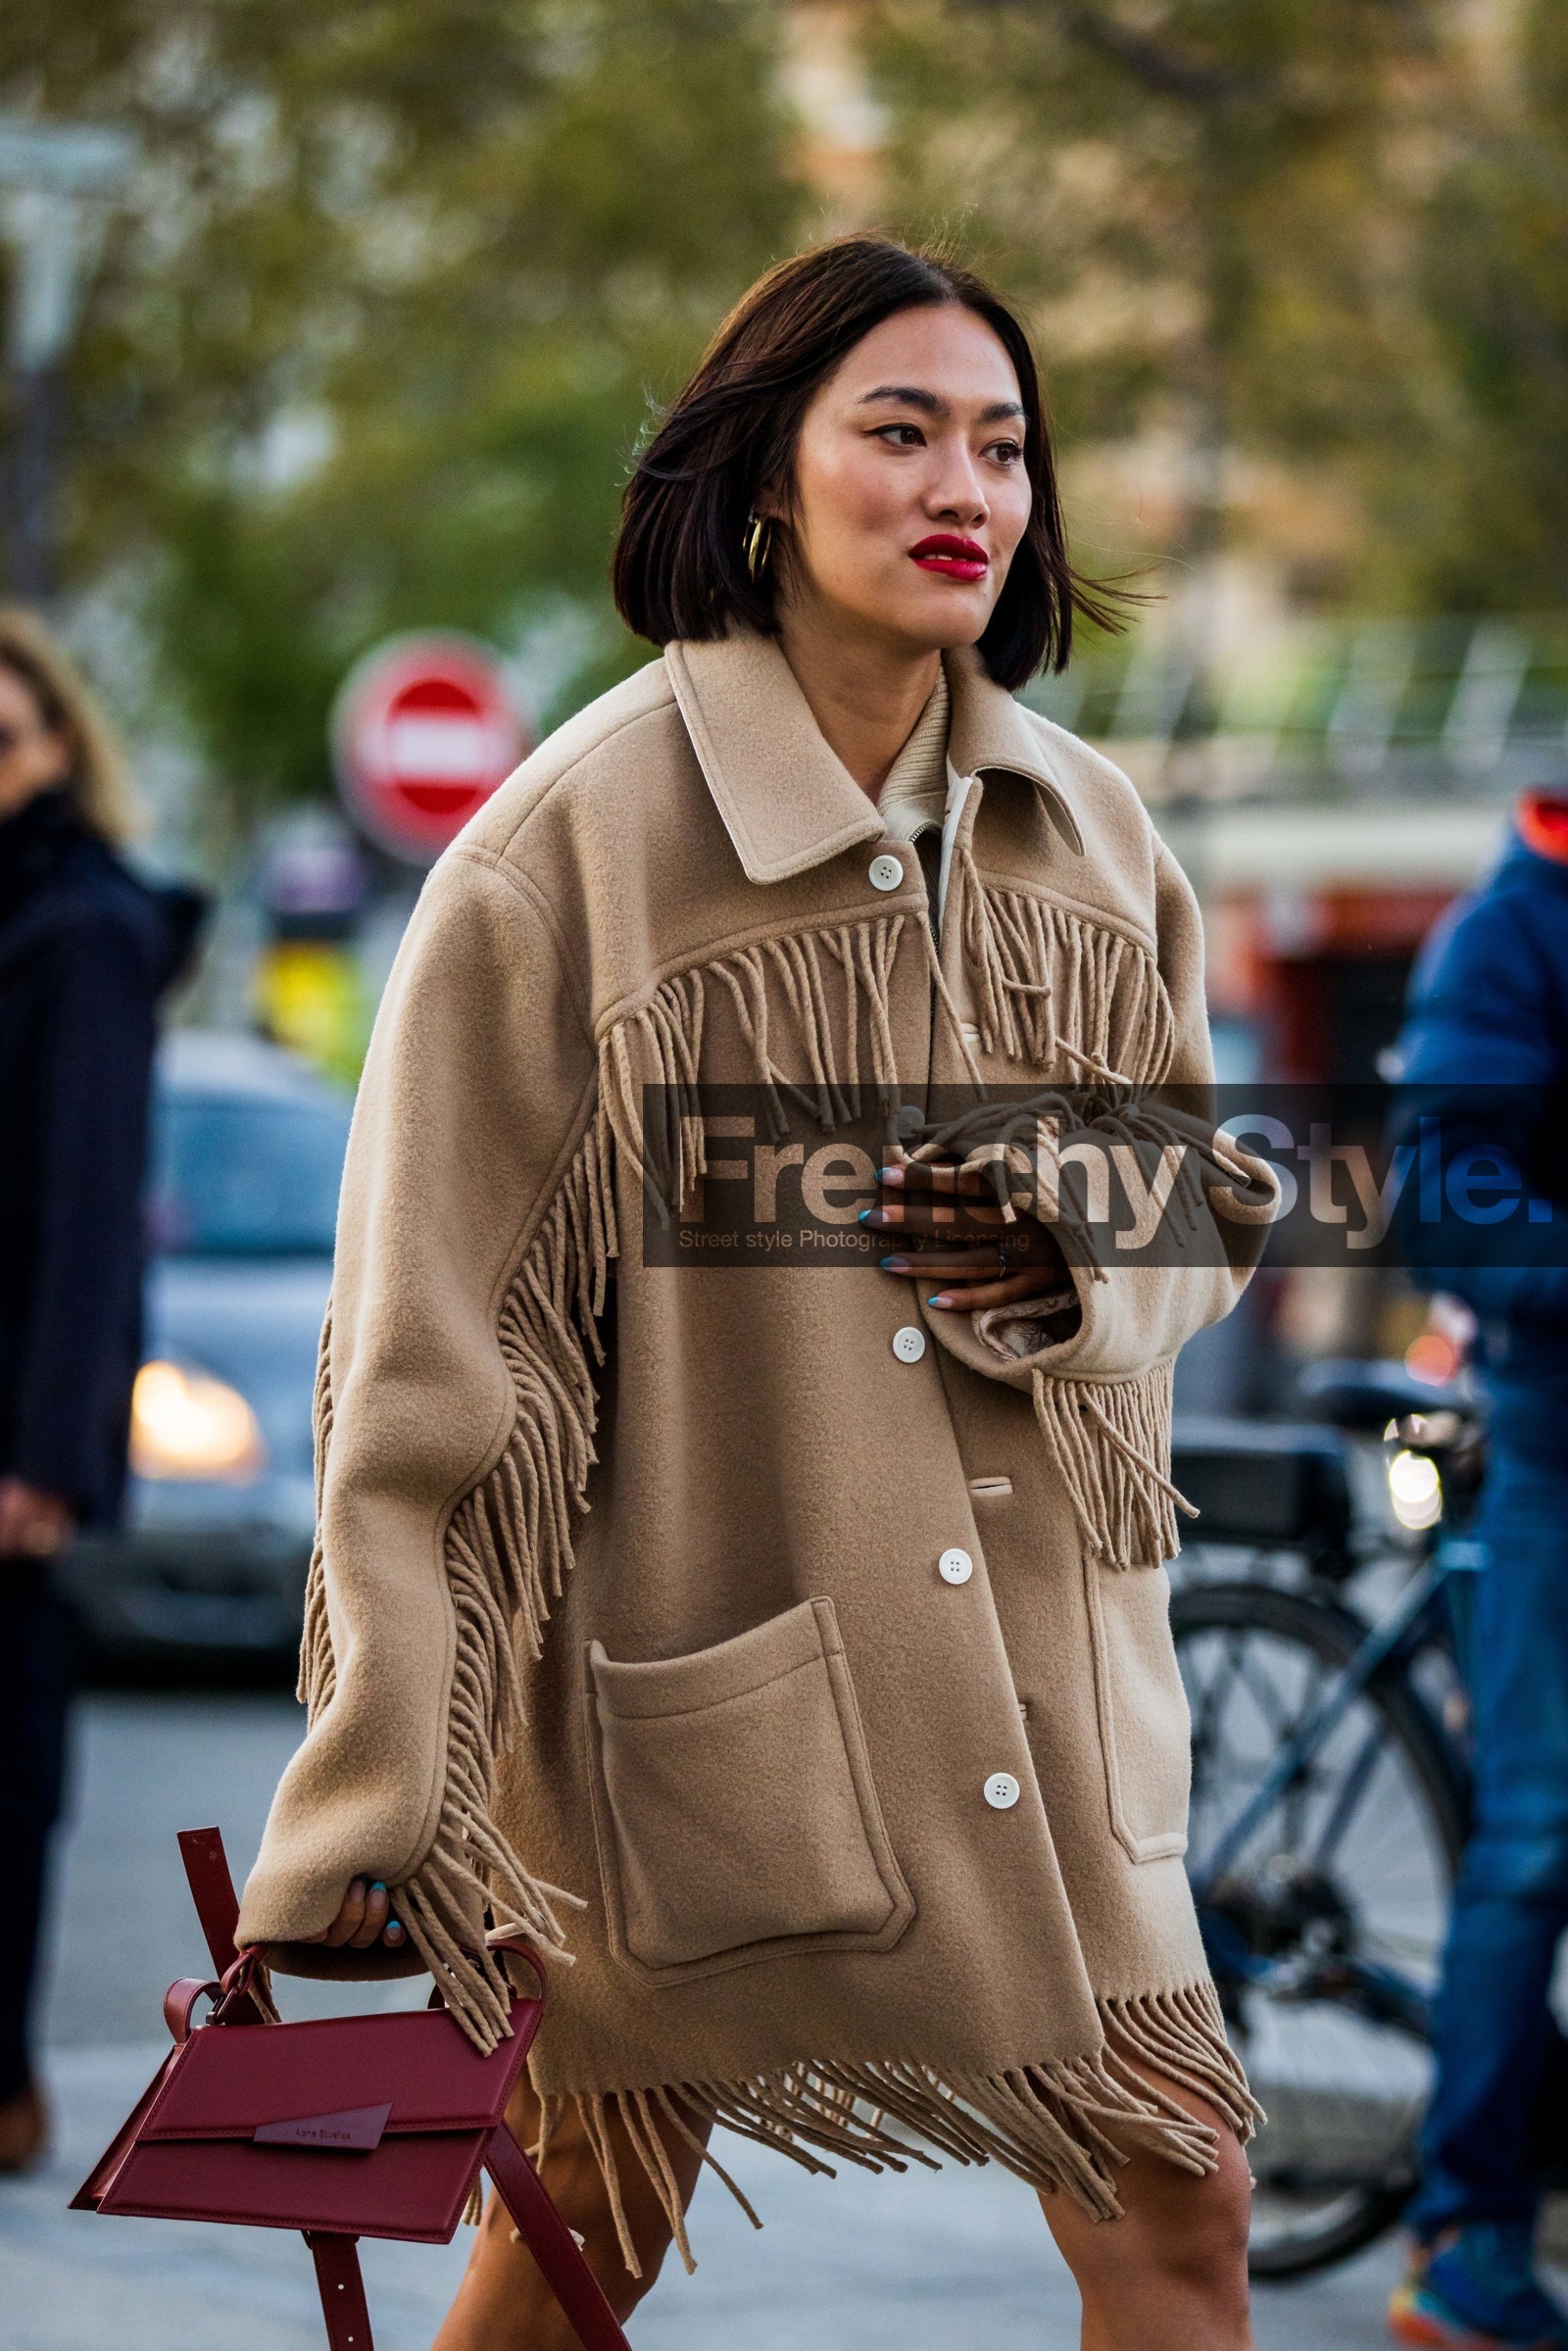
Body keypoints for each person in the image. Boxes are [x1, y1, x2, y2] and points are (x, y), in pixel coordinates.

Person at [236, 236, 1267, 2350]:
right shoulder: (561, 861)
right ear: (760, 478)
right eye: (893, 431)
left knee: (1184, 2216)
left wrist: (1074, 1240)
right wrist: (371, 1798)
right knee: (569, 2248)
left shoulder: (1089, 834)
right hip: (707, 1733)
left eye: (998, 442)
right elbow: (431, 1382)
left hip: (1060, 1727)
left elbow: (1209, 1209)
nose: (958, 482)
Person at [0, 610, 203, 2173]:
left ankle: (5, 2085)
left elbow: (88, 1210)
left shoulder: (82, 926)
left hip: (11, 1427)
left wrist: (49, 1457)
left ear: (62, 747)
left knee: (3, 1772)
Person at [1389, 790, 1568, 2351]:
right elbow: (1441, 1196)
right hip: (1559, 1453)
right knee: (1537, 1838)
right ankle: (1466, 2238)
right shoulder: (1517, 927)